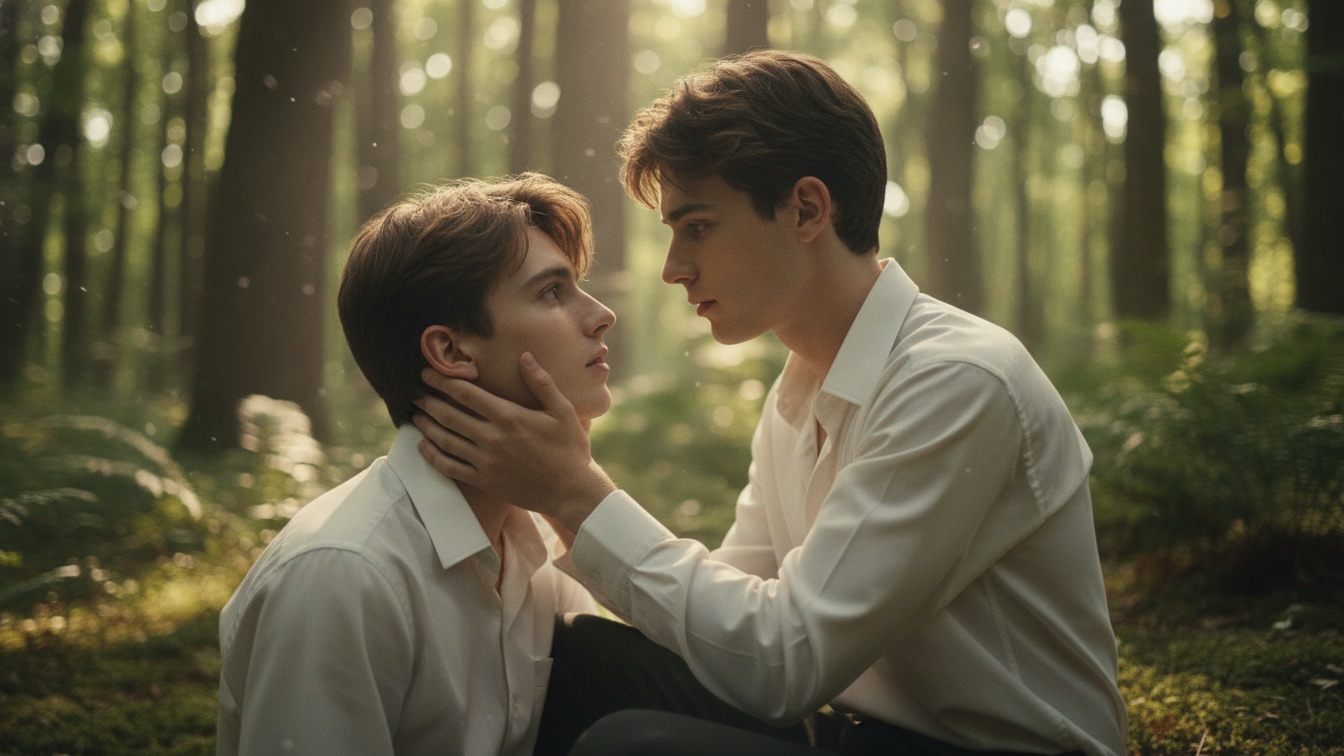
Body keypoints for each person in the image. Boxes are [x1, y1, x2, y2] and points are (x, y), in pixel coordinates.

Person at [413, 51, 1128, 755]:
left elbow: (786, 662)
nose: (673, 269)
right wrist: (559, 497)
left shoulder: (957, 382)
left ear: (806, 208)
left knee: (635, 745)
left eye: (698, 226)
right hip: (856, 733)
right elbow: (731, 622)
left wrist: (576, 495)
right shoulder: (800, 392)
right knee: (582, 659)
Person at [216, 174, 612, 755]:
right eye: (552, 292)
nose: (601, 315)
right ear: (451, 352)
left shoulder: (534, 552)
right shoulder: (345, 576)